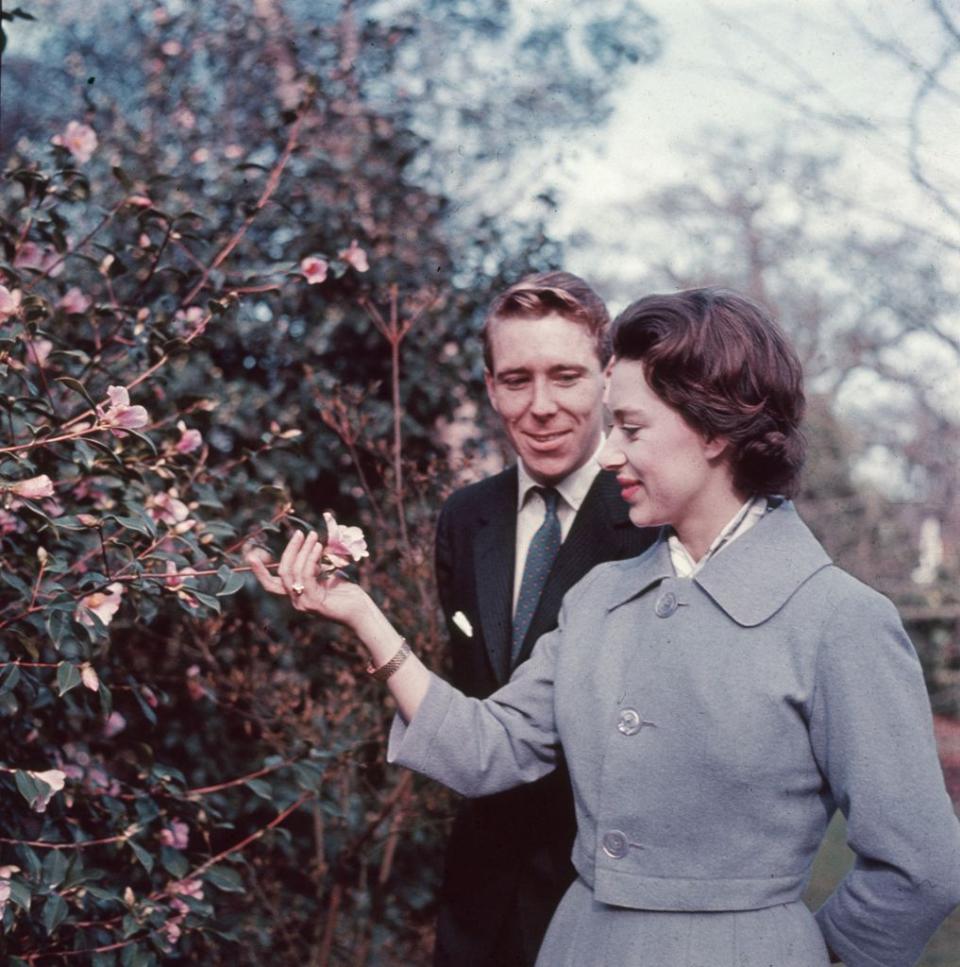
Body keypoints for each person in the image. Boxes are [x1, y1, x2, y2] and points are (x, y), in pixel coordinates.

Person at [249, 287, 960, 967]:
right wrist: (360, 612)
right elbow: (484, 748)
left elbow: (919, 865)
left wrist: (806, 951)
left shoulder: (842, 622)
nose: (610, 453)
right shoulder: (598, 598)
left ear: (714, 429)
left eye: (632, 427)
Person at [431, 272, 657, 965]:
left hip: (604, 904)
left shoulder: (654, 518)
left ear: (608, 377)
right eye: (516, 379)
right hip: (477, 909)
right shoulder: (464, 519)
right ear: (492, 387)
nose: (541, 406)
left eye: (565, 376)